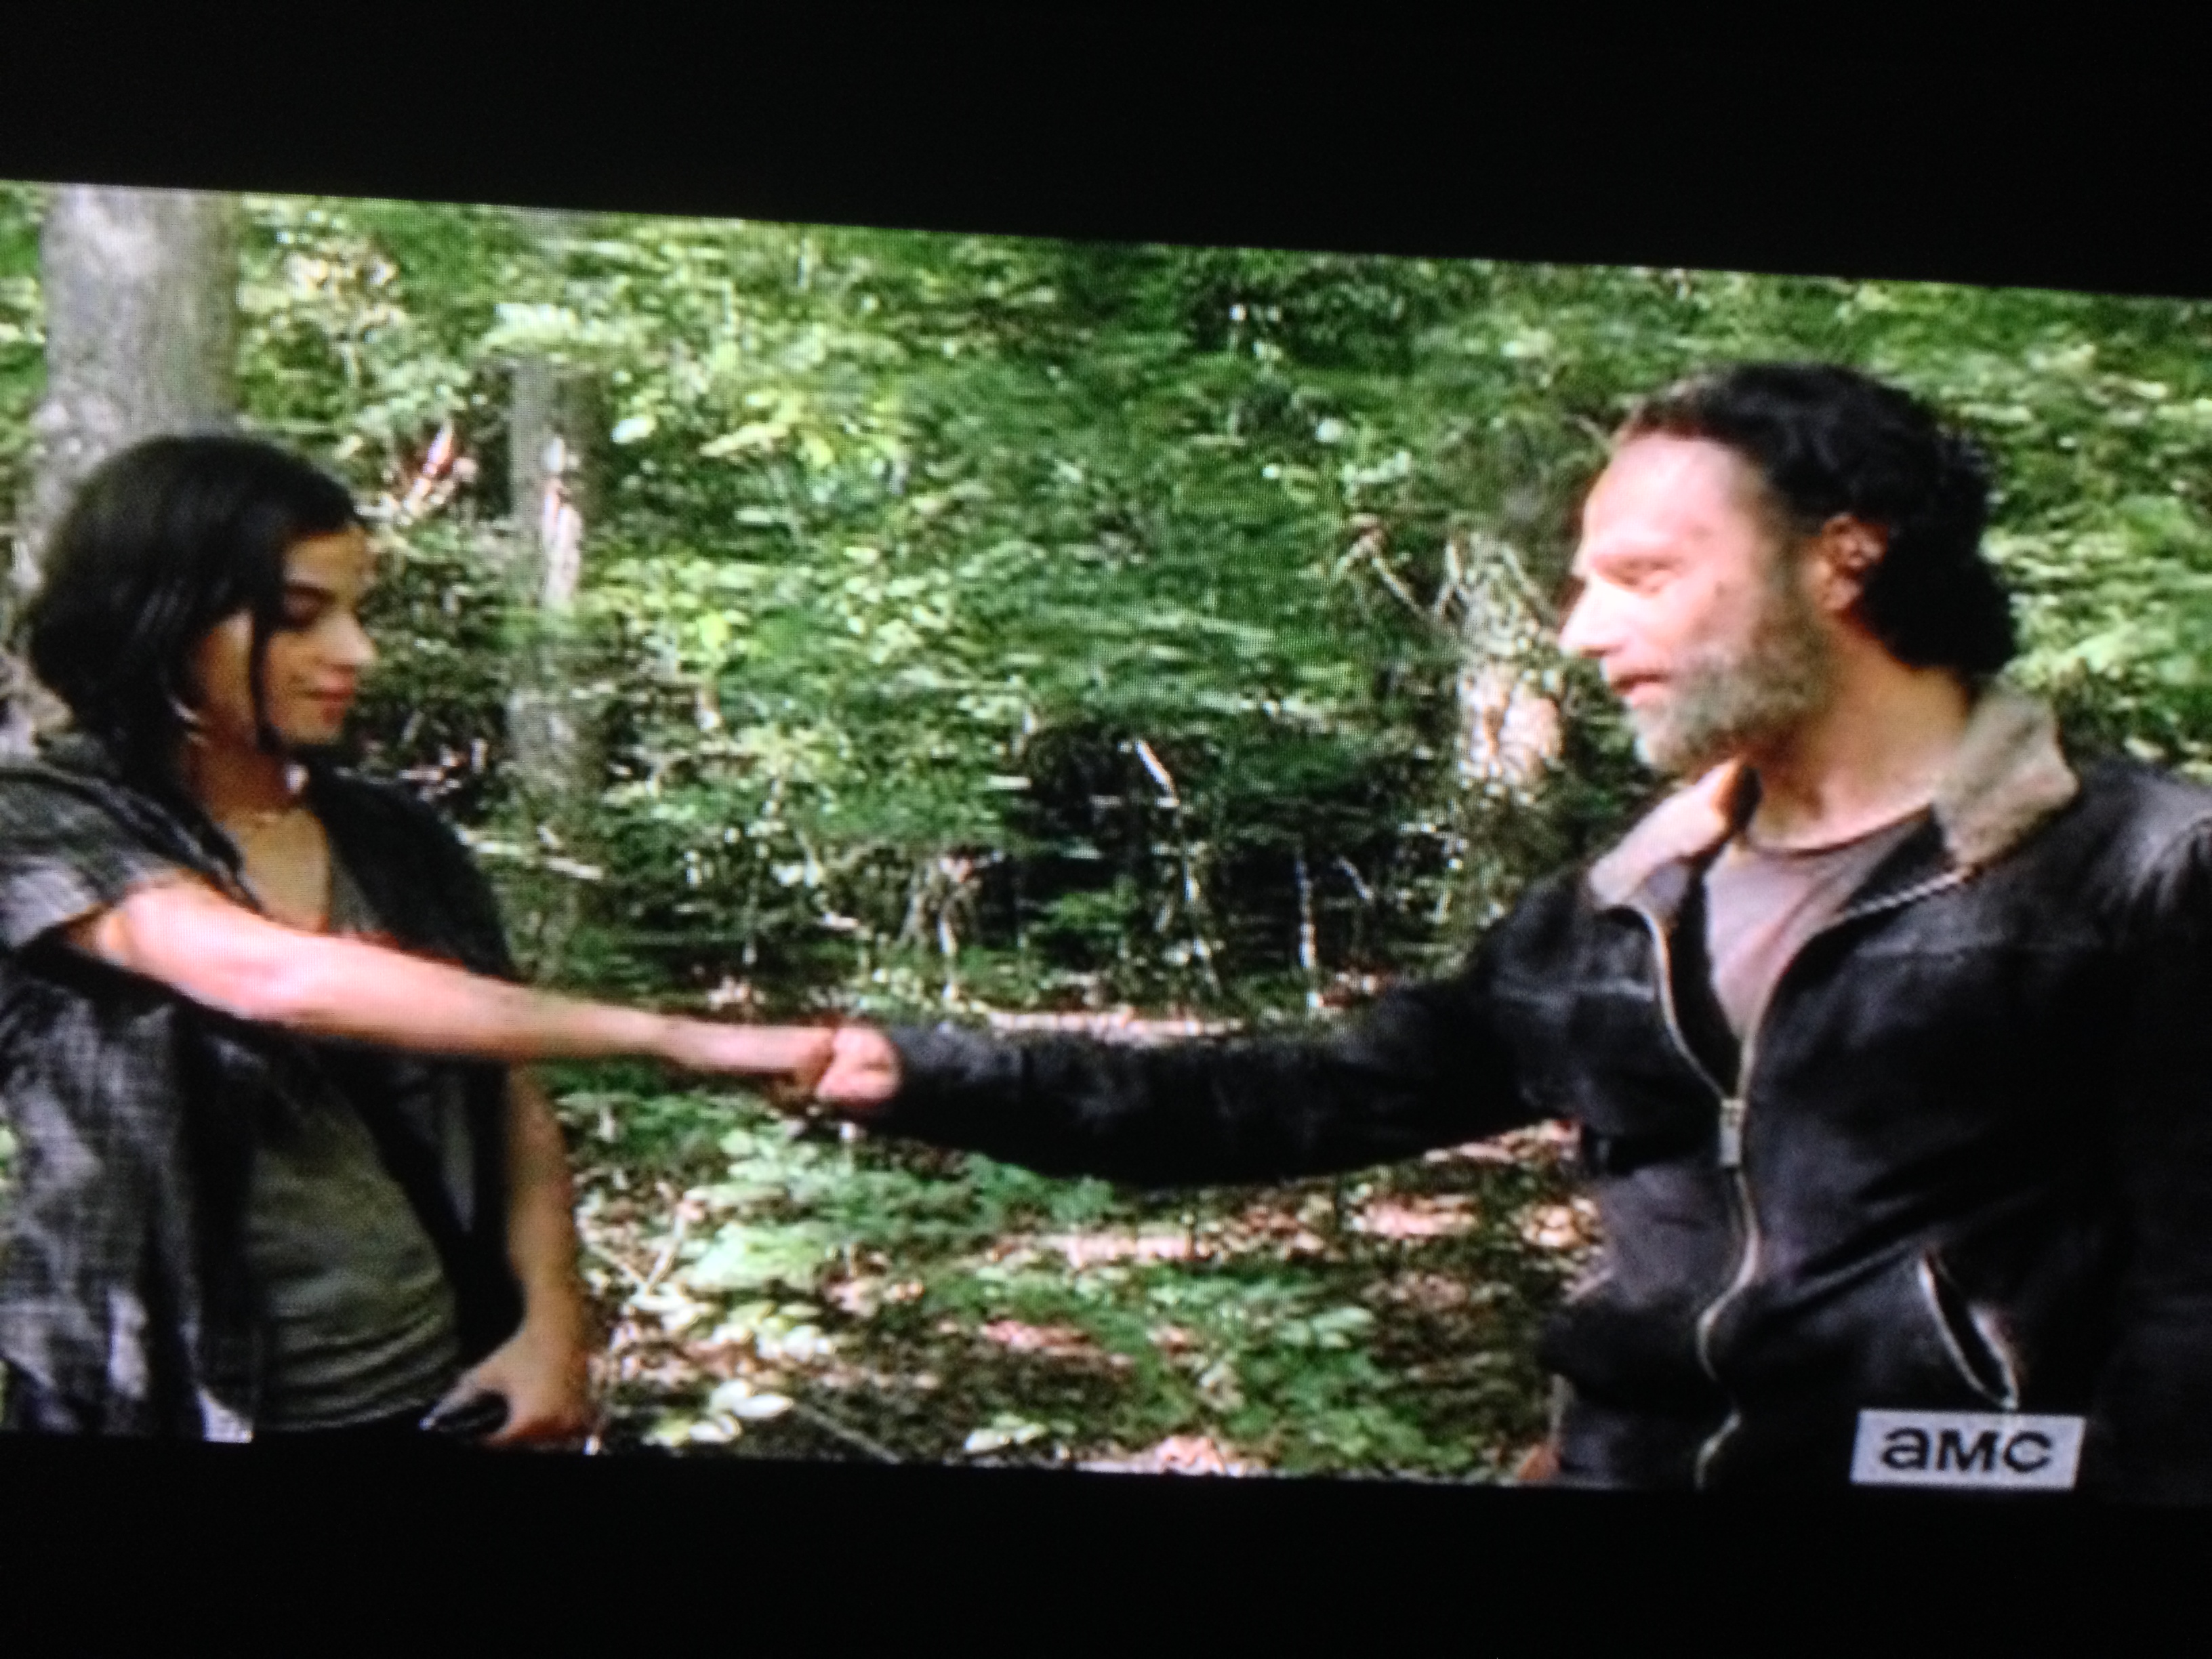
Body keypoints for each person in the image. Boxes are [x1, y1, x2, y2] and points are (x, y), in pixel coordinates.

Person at [783, 363, 2212, 1499]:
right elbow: (1300, 1095)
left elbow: (2190, 1310)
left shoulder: (2143, 869)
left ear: (1843, 561)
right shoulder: (1621, 907)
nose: (1582, 632)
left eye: (1643, 577)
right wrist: (917, 1071)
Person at [0, 435, 822, 1444]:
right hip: (145, 1400)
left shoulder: (396, 838)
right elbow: (267, 975)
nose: (357, 654)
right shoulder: (41, 819)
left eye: (358, 612)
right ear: (158, 617)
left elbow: (507, 1095)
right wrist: (678, 1037)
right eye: (299, 616)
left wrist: (552, 1323)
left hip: (435, 1390)